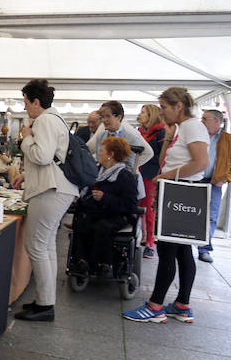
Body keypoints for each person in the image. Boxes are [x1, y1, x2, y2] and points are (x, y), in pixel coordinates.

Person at [123, 87, 208, 323]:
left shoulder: (192, 126)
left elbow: (202, 162)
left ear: (178, 106)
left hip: (182, 194)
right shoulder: (184, 128)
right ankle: (181, 305)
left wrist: (168, 177)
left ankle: (155, 306)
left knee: (169, 251)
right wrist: (170, 136)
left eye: (164, 107)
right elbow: (164, 161)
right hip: (178, 192)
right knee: (181, 251)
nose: (161, 112)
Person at [11, 79, 79, 322]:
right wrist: (25, 175)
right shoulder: (55, 119)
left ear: (36, 101)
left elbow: (42, 155)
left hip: (52, 190)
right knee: (45, 246)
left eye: (26, 102)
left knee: (37, 246)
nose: (25, 107)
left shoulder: (46, 120)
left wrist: (26, 137)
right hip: (55, 188)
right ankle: (44, 300)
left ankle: (45, 305)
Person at [70, 137, 139, 278]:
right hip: (96, 212)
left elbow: (131, 205)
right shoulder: (96, 171)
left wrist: (105, 197)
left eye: (102, 150)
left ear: (111, 154)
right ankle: (82, 261)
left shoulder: (125, 176)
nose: (99, 153)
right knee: (82, 223)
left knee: (102, 227)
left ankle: (104, 264)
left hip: (117, 215)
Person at [196, 109, 231, 262]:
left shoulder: (229, 139)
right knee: (190, 213)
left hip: (214, 184)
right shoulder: (198, 136)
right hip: (194, 181)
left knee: (211, 217)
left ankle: (204, 249)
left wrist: (226, 177)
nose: (202, 122)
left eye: (205, 119)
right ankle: (186, 243)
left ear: (217, 121)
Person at [87, 101, 153, 173]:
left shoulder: (131, 136)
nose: (104, 120)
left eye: (108, 116)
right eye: (102, 117)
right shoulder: (100, 136)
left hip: (125, 179)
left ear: (118, 117)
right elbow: (99, 159)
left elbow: (131, 164)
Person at [136, 104, 165, 258]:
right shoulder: (140, 132)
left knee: (149, 210)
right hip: (138, 174)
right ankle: (141, 237)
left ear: (151, 115)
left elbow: (162, 156)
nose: (140, 115)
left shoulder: (160, 133)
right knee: (138, 208)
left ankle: (150, 243)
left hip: (150, 176)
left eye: (143, 112)